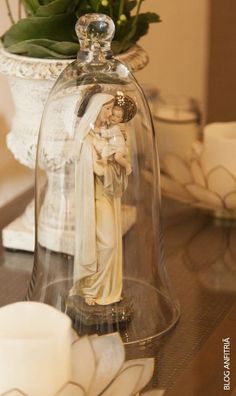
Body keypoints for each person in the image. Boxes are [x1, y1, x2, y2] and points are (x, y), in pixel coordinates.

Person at [71, 85, 130, 306]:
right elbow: (95, 169)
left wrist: (119, 162)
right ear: (96, 110)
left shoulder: (109, 134)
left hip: (109, 196)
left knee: (109, 244)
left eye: (112, 108)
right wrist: (107, 163)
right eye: (107, 109)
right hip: (95, 198)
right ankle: (90, 287)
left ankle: (104, 288)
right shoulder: (86, 139)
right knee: (107, 244)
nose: (110, 113)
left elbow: (119, 164)